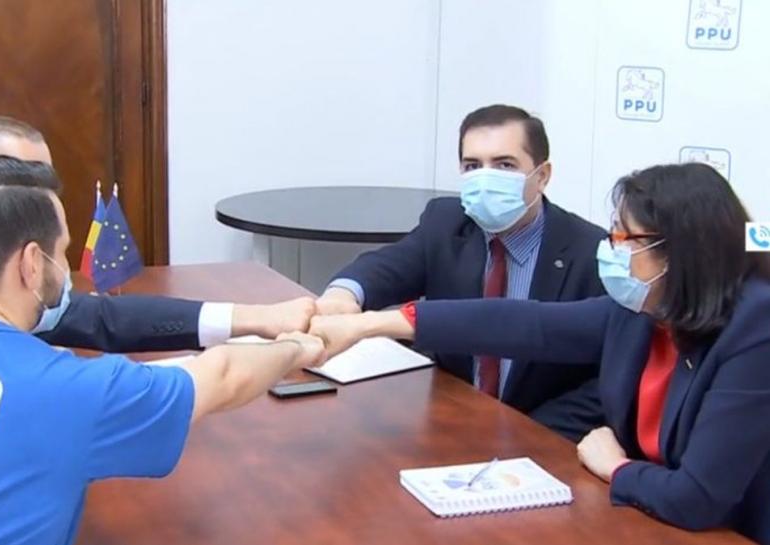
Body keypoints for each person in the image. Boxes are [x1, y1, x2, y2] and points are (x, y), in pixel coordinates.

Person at [0, 156, 326, 545]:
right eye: (62, 253)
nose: (66, 269)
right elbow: (224, 374)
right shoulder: (76, 391)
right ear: (32, 264)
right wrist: (295, 347)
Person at [309, 163, 770, 542]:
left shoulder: (754, 328)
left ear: (679, 253)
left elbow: (696, 498)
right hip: (647, 517)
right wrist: (371, 324)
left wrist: (617, 467)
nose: (610, 251)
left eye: (623, 240)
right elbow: (527, 324)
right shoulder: (643, 309)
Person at [0, 115, 314, 351]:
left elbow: (90, 316)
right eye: (26, 183)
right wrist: (259, 327)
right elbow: (89, 319)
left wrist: (255, 318)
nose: (45, 198)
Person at [316, 105, 606, 440]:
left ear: (542, 176)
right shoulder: (446, 221)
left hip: (540, 436)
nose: (485, 178)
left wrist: (529, 433)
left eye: (504, 165)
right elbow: (391, 265)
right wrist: (344, 294)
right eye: (472, 166)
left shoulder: (590, 251)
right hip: (451, 424)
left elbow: (607, 382)